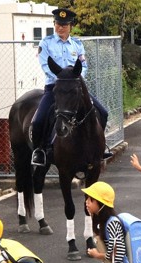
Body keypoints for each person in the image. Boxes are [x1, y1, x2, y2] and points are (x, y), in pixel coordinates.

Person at [32, 8, 112, 166]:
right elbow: (45, 66)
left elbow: (84, 66)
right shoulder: (46, 43)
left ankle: (99, 148)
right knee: (38, 120)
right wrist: (64, 80)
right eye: (57, 24)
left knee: (102, 112)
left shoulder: (77, 44)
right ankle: (40, 151)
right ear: (54, 24)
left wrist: (76, 80)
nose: (60, 27)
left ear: (70, 26)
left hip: (76, 89)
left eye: (64, 25)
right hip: (55, 89)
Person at [82, 181, 127, 263]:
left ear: (101, 203)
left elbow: (117, 256)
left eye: (90, 199)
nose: (86, 202)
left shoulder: (112, 224)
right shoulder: (101, 222)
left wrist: (97, 255)